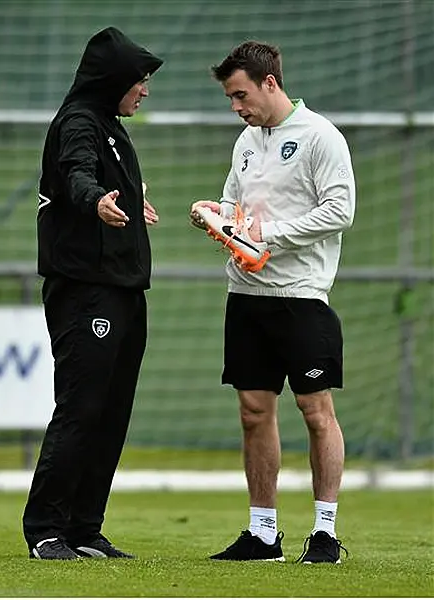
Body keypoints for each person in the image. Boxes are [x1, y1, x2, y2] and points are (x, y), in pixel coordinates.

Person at [190, 41, 355, 564]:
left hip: (301, 296)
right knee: (253, 411)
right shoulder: (245, 141)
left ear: (269, 83)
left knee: (315, 410)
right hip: (245, 295)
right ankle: (263, 535)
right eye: (230, 99)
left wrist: (272, 238)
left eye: (240, 95)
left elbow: (340, 210)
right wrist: (215, 215)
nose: (236, 107)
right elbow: (236, 206)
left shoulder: (320, 136)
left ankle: (324, 533)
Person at [22, 27, 163, 560]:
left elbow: (97, 175)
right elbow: (75, 173)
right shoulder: (79, 122)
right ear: (114, 81)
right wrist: (96, 200)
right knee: (81, 408)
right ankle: (46, 529)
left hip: (123, 289)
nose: (145, 90)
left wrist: (130, 196)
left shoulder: (108, 124)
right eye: (140, 80)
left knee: (111, 412)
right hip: (87, 292)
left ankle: (84, 528)